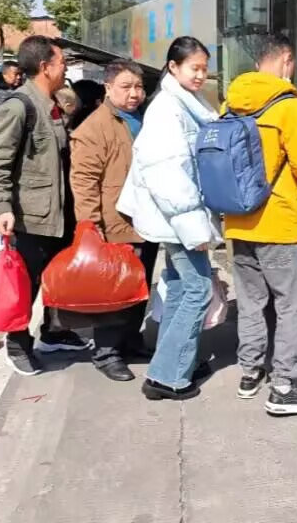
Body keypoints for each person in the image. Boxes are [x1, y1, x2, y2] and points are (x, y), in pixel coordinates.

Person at [224, 34, 297, 416]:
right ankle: (283, 386)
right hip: (279, 222)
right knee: (290, 305)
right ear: (286, 60)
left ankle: (249, 373)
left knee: (251, 303)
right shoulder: (288, 106)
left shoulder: (230, 103)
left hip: (237, 222)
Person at [116, 36, 220, 401]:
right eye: (194, 68)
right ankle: (166, 376)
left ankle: (175, 364)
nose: (201, 75)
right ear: (173, 67)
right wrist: (196, 228)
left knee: (179, 286)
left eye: (204, 69)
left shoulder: (184, 102)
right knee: (198, 289)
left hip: (175, 218)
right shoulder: (168, 109)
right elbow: (169, 175)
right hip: (178, 220)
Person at [0, 35, 92, 376]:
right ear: (45, 66)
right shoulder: (19, 107)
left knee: (58, 277)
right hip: (30, 215)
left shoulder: (53, 103)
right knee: (26, 283)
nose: (65, 68)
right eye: (61, 62)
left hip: (59, 210)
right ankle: (17, 344)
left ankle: (55, 331)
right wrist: (3, 206)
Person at [69, 60, 161, 382]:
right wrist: (91, 227)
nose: (134, 93)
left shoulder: (143, 118)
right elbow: (84, 182)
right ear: (108, 88)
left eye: (138, 87)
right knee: (113, 292)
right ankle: (106, 353)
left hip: (145, 219)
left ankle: (131, 341)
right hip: (115, 224)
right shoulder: (95, 128)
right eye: (126, 87)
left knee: (139, 287)